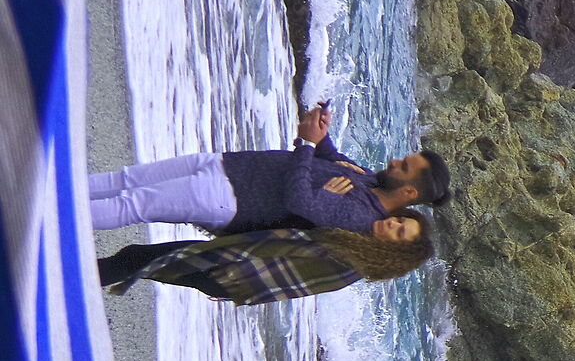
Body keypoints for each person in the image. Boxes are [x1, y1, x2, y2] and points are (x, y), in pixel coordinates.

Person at [87, 103, 449, 235]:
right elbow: (328, 162)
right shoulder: (370, 180)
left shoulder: (360, 216)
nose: (393, 161)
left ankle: (49, 218)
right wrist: (321, 134)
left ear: (409, 193)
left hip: (231, 199)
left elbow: (299, 201)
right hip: (230, 165)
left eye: (403, 166)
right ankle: (49, 189)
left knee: (131, 206)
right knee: (125, 180)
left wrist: (306, 145)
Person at [96, 211, 433, 306]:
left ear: (396, 251)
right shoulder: (359, 256)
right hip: (236, 279)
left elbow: (280, 256)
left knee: (136, 259)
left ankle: (66, 282)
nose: (393, 224)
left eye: (400, 232)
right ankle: (75, 281)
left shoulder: (351, 258)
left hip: (231, 269)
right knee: (139, 261)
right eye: (400, 220)